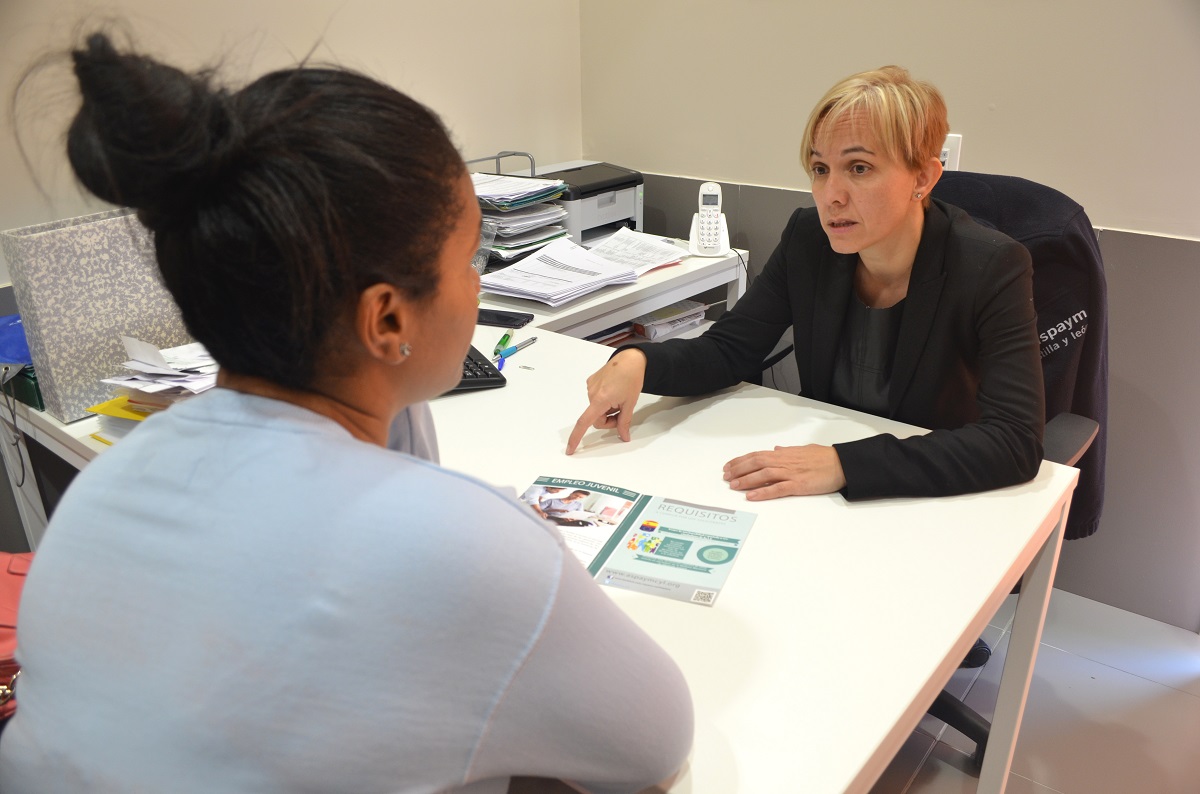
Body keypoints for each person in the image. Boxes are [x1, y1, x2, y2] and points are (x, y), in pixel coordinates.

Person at [0, 33, 692, 794]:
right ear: (387, 319)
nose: (479, 283)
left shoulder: (103, 486)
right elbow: (653, 746)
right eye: (471, 257)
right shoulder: (471, 549)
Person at [567, 66, 1044, 502]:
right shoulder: (808, 238)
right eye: (820, 169)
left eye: (859, 168)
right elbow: (730, 350)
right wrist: (640, 361)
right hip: (820, 486)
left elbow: (1014, 440)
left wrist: (845, 464)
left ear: (923, 177)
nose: (830, 196)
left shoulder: (991, 265)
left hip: (927, 494)